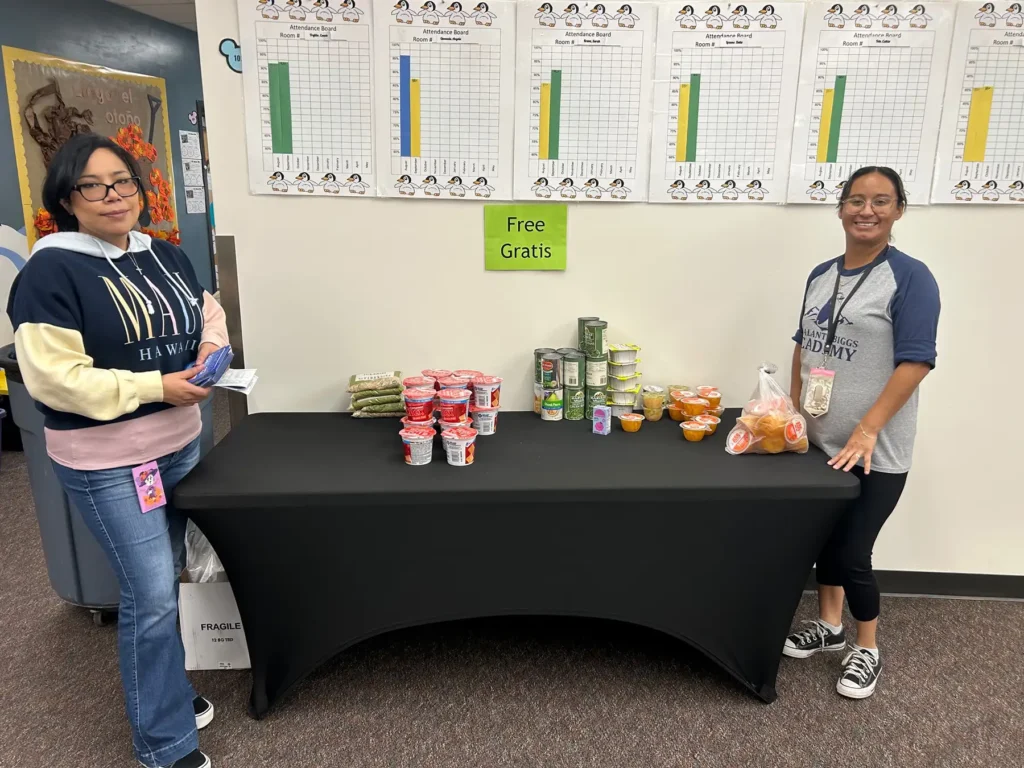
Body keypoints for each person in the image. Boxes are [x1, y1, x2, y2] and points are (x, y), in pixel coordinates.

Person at [6, 134, 228, 768]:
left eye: (124, 181)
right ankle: (163, 742)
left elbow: (205, 314)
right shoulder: (50, 271)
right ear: (66, 199)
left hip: (182, 445)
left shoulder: (167, 256)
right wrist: (156, 386)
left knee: (171, 577)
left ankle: (170, 691)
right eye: (93, 186)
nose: (113, 197)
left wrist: (213, 353)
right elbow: (56, 379)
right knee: (152, 593)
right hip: (109, 462)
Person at [784, 166, 940, 699]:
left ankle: (866, 647)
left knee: (853, 552)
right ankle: (829, 627)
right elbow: (804, 345)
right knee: (824, 543)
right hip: (820, 442)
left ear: (899, 210)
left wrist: (868, 430)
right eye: (855, 200)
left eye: (880, 200)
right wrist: (796, 412)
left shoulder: (911, 278)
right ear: (840, 209)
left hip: (875, 450)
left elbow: (916, 362)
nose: (865, 210)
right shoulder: (820, 274)